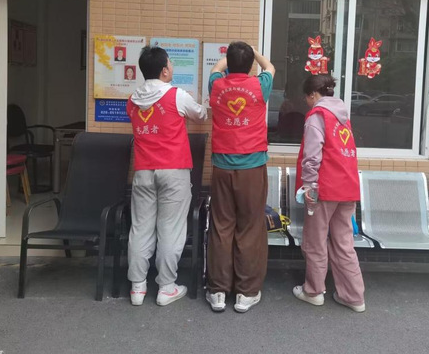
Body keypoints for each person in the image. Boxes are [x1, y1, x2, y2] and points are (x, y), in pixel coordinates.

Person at [125, 46, 207, 306]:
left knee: (140, 228)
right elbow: (201, 115)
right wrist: (202, 102)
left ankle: (137, 288)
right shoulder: (176, 95)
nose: (172, 67)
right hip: (174, 170)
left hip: (143, 172)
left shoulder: (132, 101)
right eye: (170, 64)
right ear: (163, 70)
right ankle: (166, 287)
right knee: (170, 229)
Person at [206, 41, 275, 313]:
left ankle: (218, 291)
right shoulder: (259, 85)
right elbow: (269, 67)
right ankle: (246, 293)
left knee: (221, 226)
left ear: (229, 62)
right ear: (249, 64)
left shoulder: (216, 85)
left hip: (222, 167)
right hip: (252, 168)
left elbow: (216, 68)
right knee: (250, 227)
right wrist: (253, 52)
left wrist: (230, 56)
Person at [292, 74, 366, 312]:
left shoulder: (318, 116)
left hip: (323, 189)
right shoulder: (343, 117)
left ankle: (313, 291)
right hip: (347, 187)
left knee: (315, 241)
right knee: (344, 243)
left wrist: (309, 186)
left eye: (307, 98)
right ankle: (354, 297)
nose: (307, 103)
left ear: (313, 95)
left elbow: (312, 156)